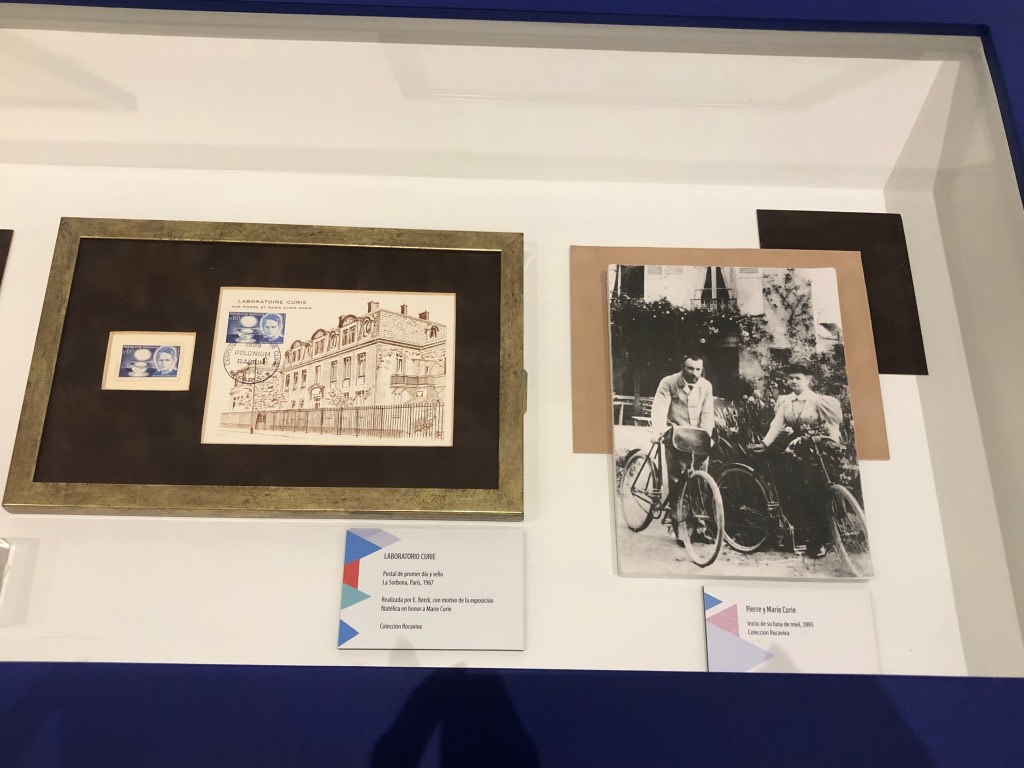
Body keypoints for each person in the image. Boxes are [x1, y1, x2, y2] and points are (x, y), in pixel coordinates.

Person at [750, 363, 844, 559]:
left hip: (816, 450)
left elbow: (832, 426)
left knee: (814, 494)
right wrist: (765, 444)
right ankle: (795, 534)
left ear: (808, 380)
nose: (793, 381)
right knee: (791, 492)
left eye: (798, 378)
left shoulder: (819, 401)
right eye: (790, 378)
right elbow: (777, 425)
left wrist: (833, 443)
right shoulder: (786, 402)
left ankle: (821, 541)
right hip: (793, 449)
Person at [649, 353, 714, 497]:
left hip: (697, 436)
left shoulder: (706, 386)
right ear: (682, 367)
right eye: (690, 369)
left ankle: (697, 514)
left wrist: (707, 436)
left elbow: (707, 413)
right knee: (676, 477)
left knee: (700, 476)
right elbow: (660, 407)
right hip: (675, 434)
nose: (694, 373)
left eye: (698, 369)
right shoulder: (669, 382)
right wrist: (657, 431)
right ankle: (675, 513)